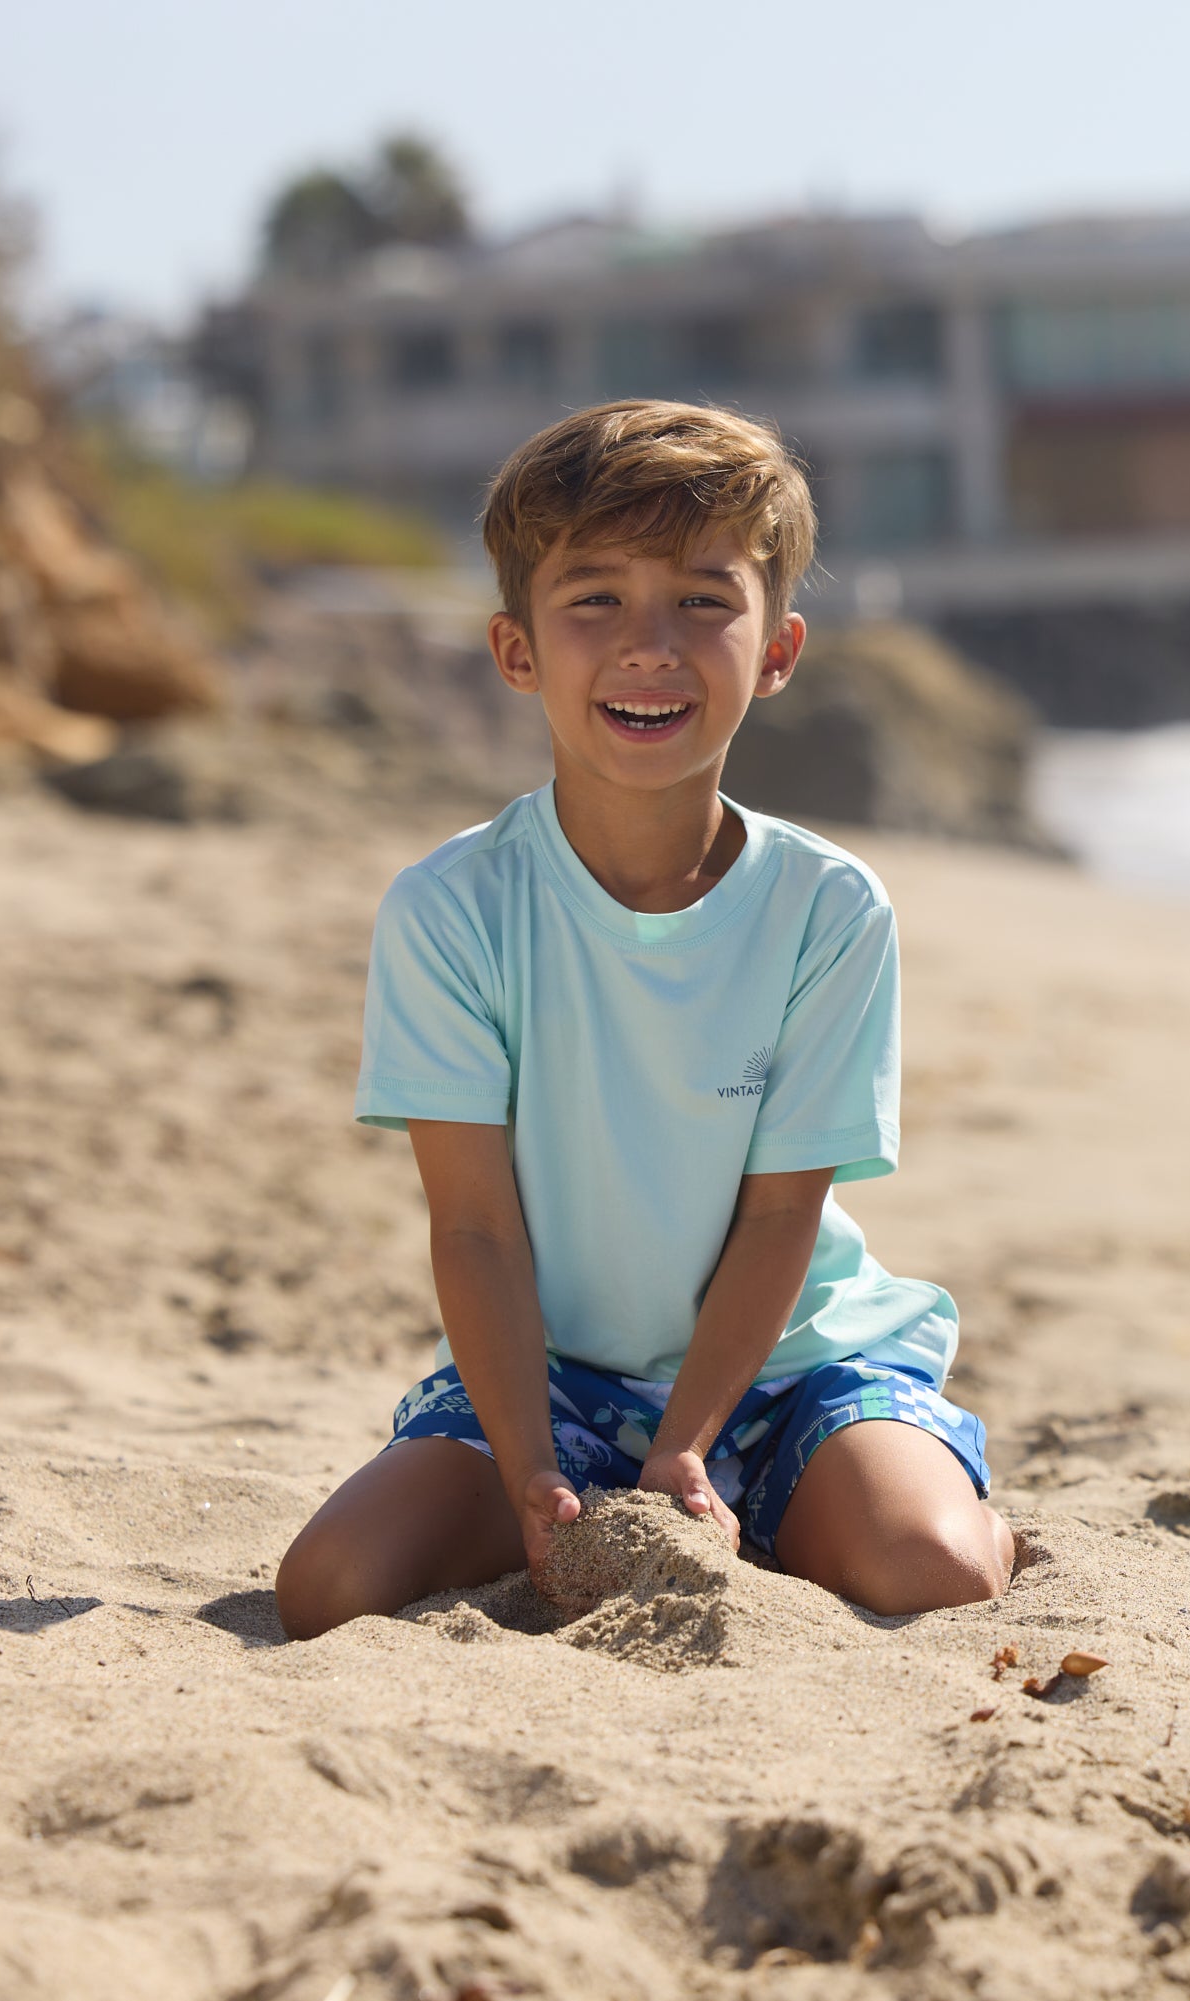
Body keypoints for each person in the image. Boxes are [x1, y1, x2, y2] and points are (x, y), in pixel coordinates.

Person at [274, 400, 1013, 1639]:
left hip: (788, 1361)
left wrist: (686, 1448)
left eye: (703, 602)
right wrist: (525, 1469)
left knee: (927, 1567)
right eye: (595, 601)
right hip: (552, 1377)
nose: (648, 647)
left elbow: (783, 1214)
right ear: (518, 651)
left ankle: (878, 1487)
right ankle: (709, 1493)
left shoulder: (827, 908)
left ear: (776, 652)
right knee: (329, 1589)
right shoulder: (454, 908)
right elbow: (476, 1228)